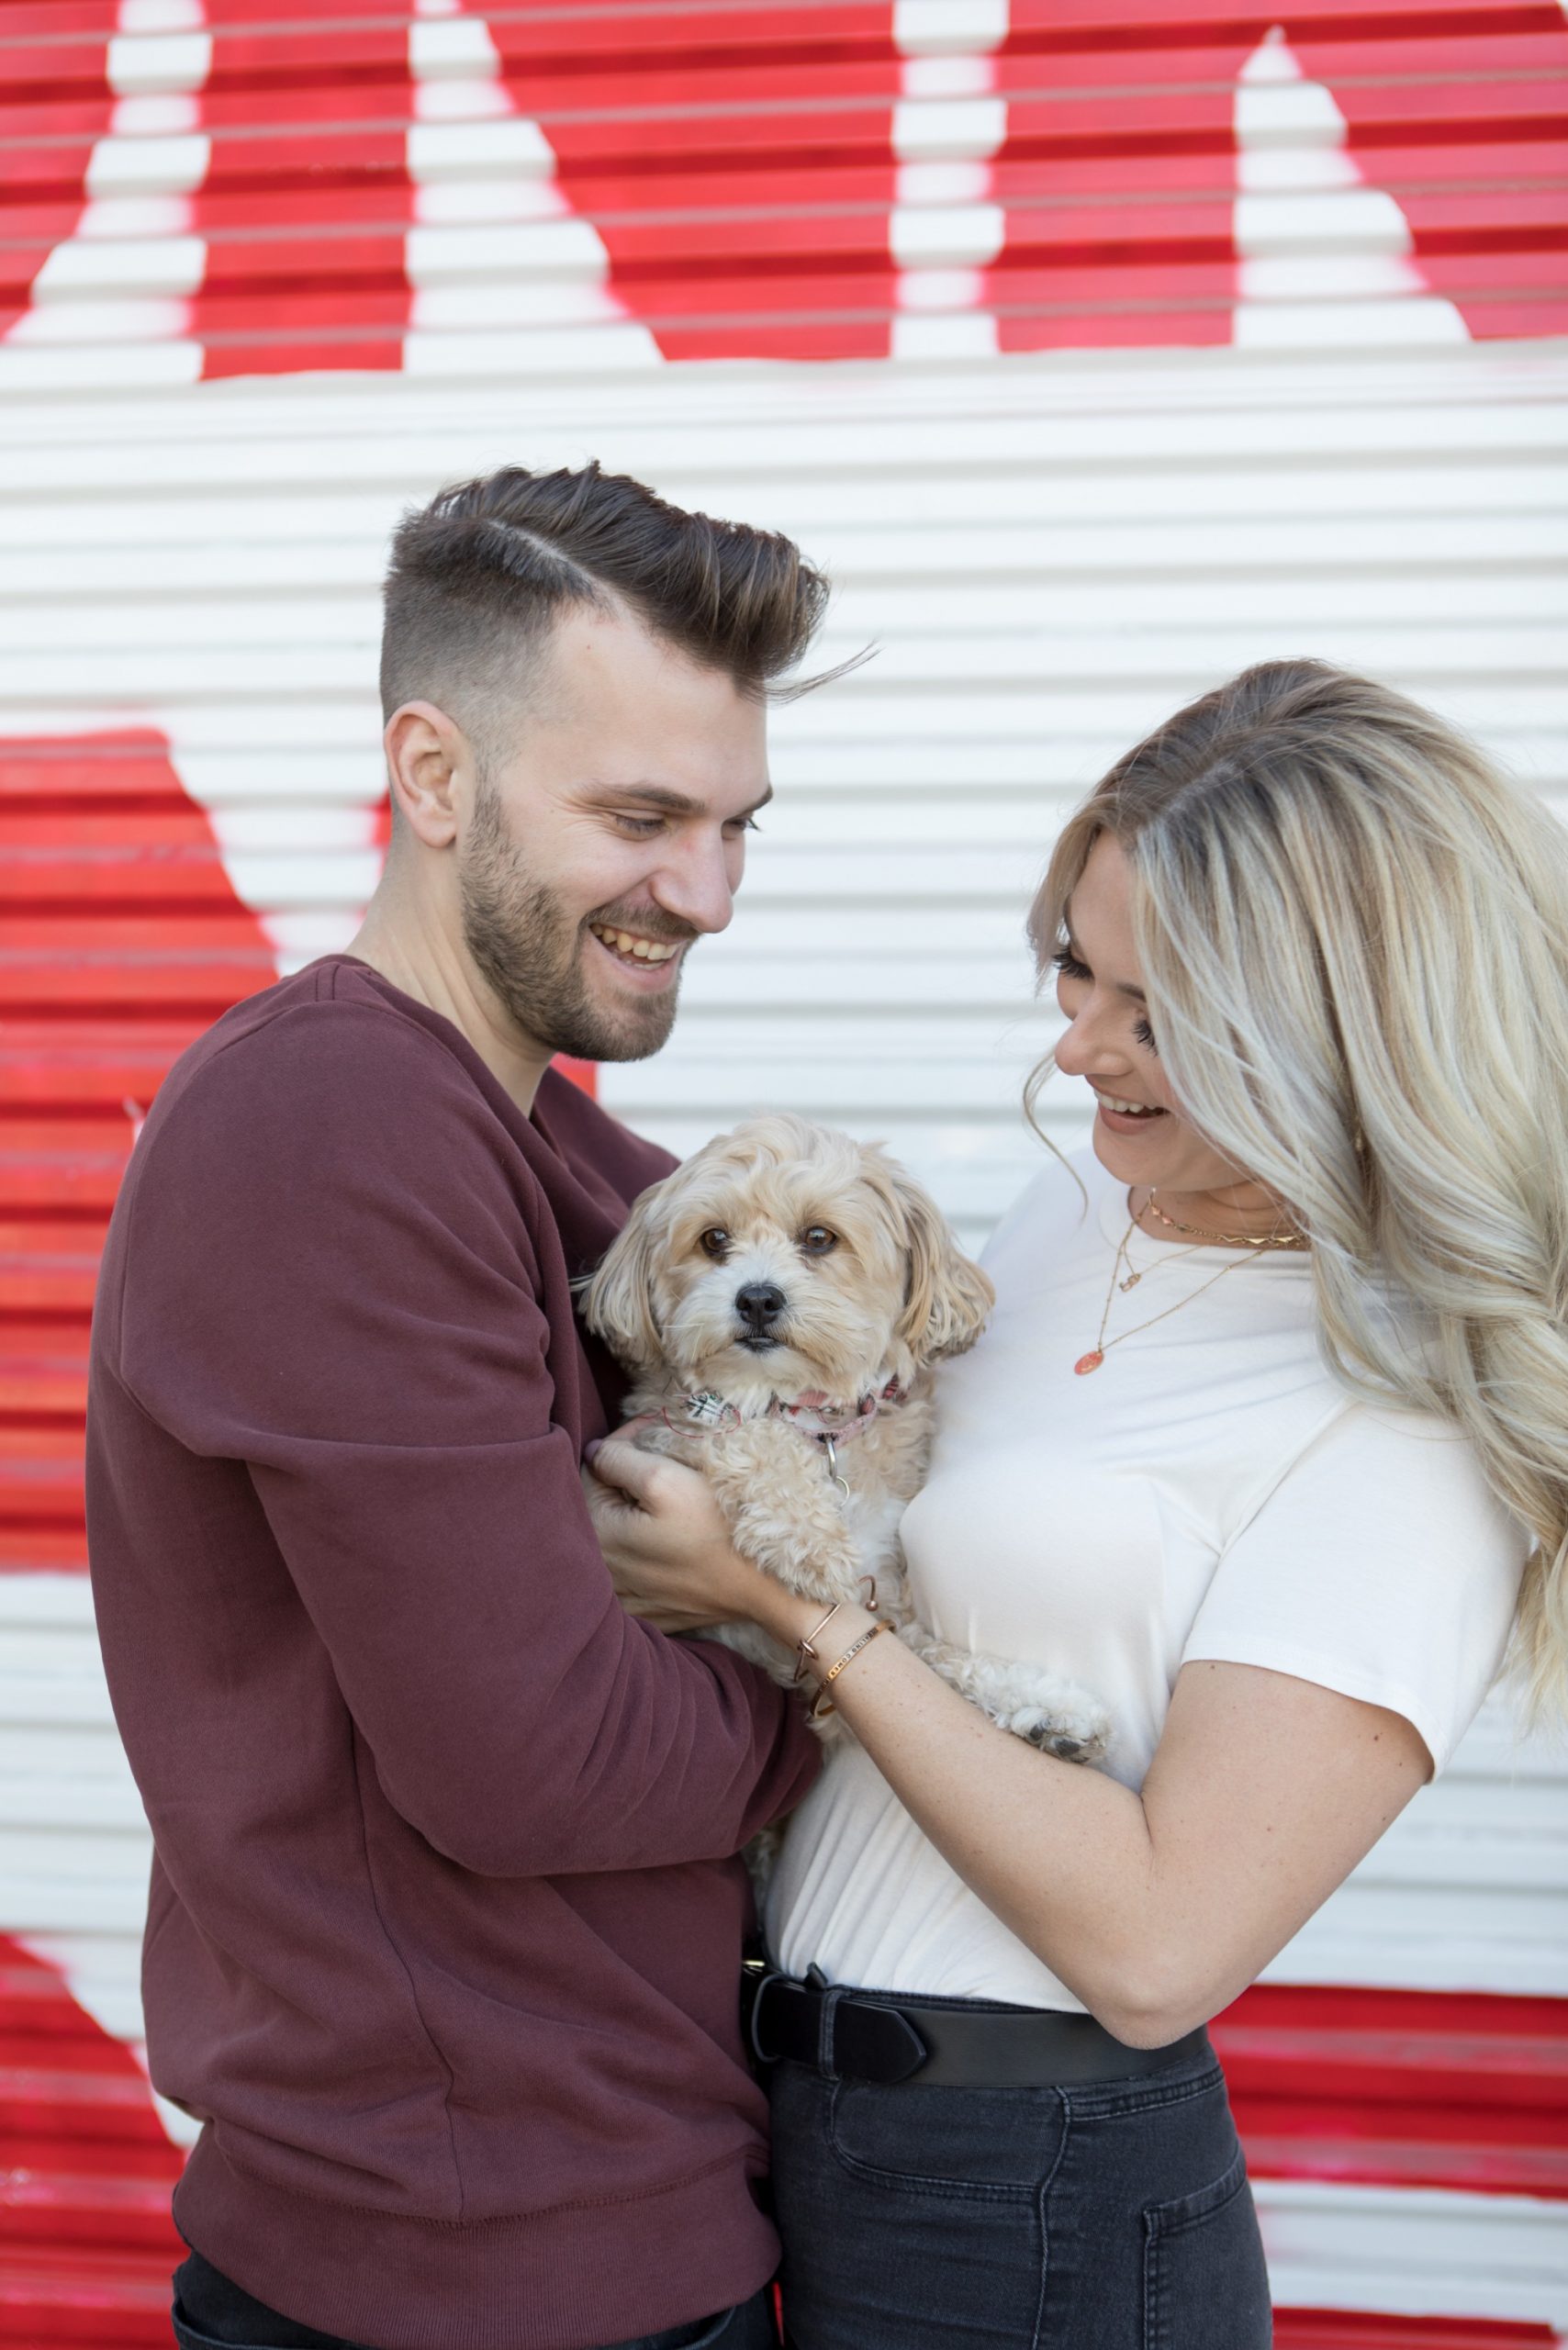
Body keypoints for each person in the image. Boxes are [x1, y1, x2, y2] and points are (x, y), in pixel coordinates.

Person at [588, 659, 1562, 2348]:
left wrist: (789, 1607)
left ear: (1341, 1029)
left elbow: (1161, 1948)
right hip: (779, 2113)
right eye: (1075, 969)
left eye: (1155, 1013)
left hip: (1019, 2182)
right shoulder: (1062, 1231)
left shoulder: (1405, 1427)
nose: (1076, 1044)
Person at [85, 463, 831, 2350]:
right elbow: (538, 1757)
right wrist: (834, 1672)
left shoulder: (547, 1138)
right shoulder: (329, 1123)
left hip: (599, 2215)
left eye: (737, 824)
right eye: (641, 817)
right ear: (430, 776)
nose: (709, 892)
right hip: (461, 2263)